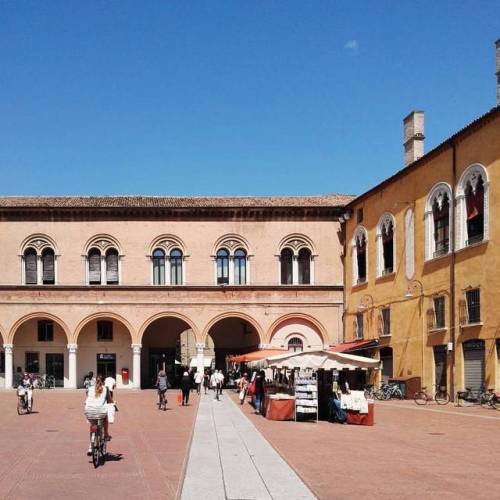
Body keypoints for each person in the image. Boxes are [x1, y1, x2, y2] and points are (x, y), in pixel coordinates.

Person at [84, 375, 111, 455]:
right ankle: (106, 434)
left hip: (88, 410)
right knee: (105, 418)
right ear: (103, 382)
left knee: (92, 426)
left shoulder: (90, 388)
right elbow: (109, 400)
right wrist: (113, 403)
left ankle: (90, 447)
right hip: (100, 411)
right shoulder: (106, 389)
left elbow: (88, 398)